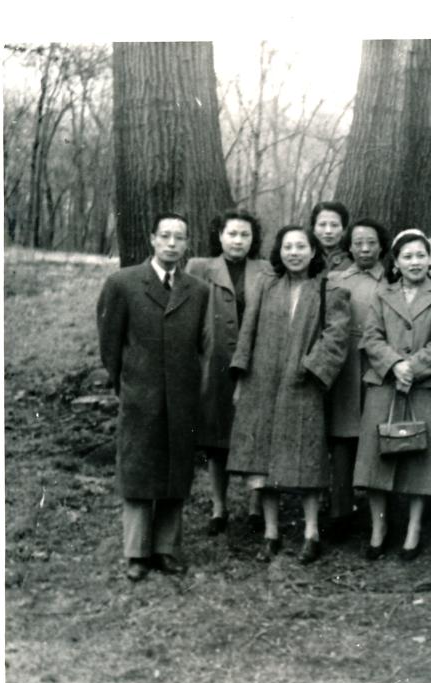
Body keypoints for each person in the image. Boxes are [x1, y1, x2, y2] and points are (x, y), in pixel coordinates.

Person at [227, 225, 351, 564]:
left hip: (304, 385)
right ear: (279, 252)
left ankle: (311, 532)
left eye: (300, 247)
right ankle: (271, 532)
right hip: (262, 384)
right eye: (287, 247)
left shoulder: (329, 289)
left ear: (313, 252)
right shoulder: (266, 286)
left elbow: (337, 337)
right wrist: (242, 379)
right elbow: (247, 333)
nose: (293, 253)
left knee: (307, 457)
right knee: (263, 459)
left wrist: (309, 368)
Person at [96, 212, 210, 582]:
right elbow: (109, 345)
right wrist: (128, 385)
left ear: (187, 243)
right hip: (139, 395)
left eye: (179, 237)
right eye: (165, 236)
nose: (172, 244)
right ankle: (137, 552)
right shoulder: (123, 283)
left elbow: (202, 347)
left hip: (182, 398)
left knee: (176, 469)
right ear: (152, 239)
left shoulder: (198, 290)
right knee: (139, 470)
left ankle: (165, 548)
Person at [353, 230, 431, 560]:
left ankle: (413, 529)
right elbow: (372, 337)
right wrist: (394, 364)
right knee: (376, 458)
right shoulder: (383, 294)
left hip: (424, 386)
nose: (415, 262)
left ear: (429, 260)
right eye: (407, 257)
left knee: (420, 461)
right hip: (384, 383)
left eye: (420, 255)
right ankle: (379, 528)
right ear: (396, 263)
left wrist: (413, 367)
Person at [186, 210, 272, 536]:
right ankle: (219, 507)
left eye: (245, 235)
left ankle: (255, 505)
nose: (238, 241)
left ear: (253, 239)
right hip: (215, 362)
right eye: (232, 234)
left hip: (256, 363)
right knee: (216, 437)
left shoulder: (266, 270)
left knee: (256, 435)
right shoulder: (199, 268)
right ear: (220, 235)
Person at [326, 218, 391, 542]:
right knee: (342, 437)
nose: (365, 249)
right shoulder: (335, 279)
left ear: (381, 246)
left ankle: (381, 516)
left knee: (380, 435)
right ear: (349, 247)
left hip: (378, 363)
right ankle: (340, 511)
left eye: (371, 243)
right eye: (358, 243)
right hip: (344, 363)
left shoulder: (391, 280)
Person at [310, 201, 352, 273]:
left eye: (334, 225)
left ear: (344, 230)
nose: (328, 231)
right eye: (322, 224)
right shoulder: (305, 259)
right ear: (313, 229)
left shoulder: (354, 259)